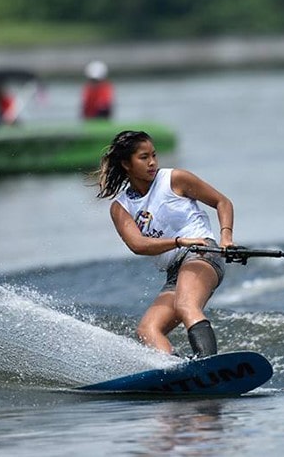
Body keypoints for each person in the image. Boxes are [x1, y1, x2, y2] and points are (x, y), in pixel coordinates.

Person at [95, 130, 235, 358]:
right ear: (126, 164)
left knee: (186, 305)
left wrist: (226, 238)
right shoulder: (120, 207)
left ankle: (207, 362)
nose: (152, 163)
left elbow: (222, 202)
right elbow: (138, 245)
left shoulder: (174, 179)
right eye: (143, 157)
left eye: (154, 155)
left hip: (201, 254)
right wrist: (178, 241)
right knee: (148, 329)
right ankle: (175, 368)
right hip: (174, 270)